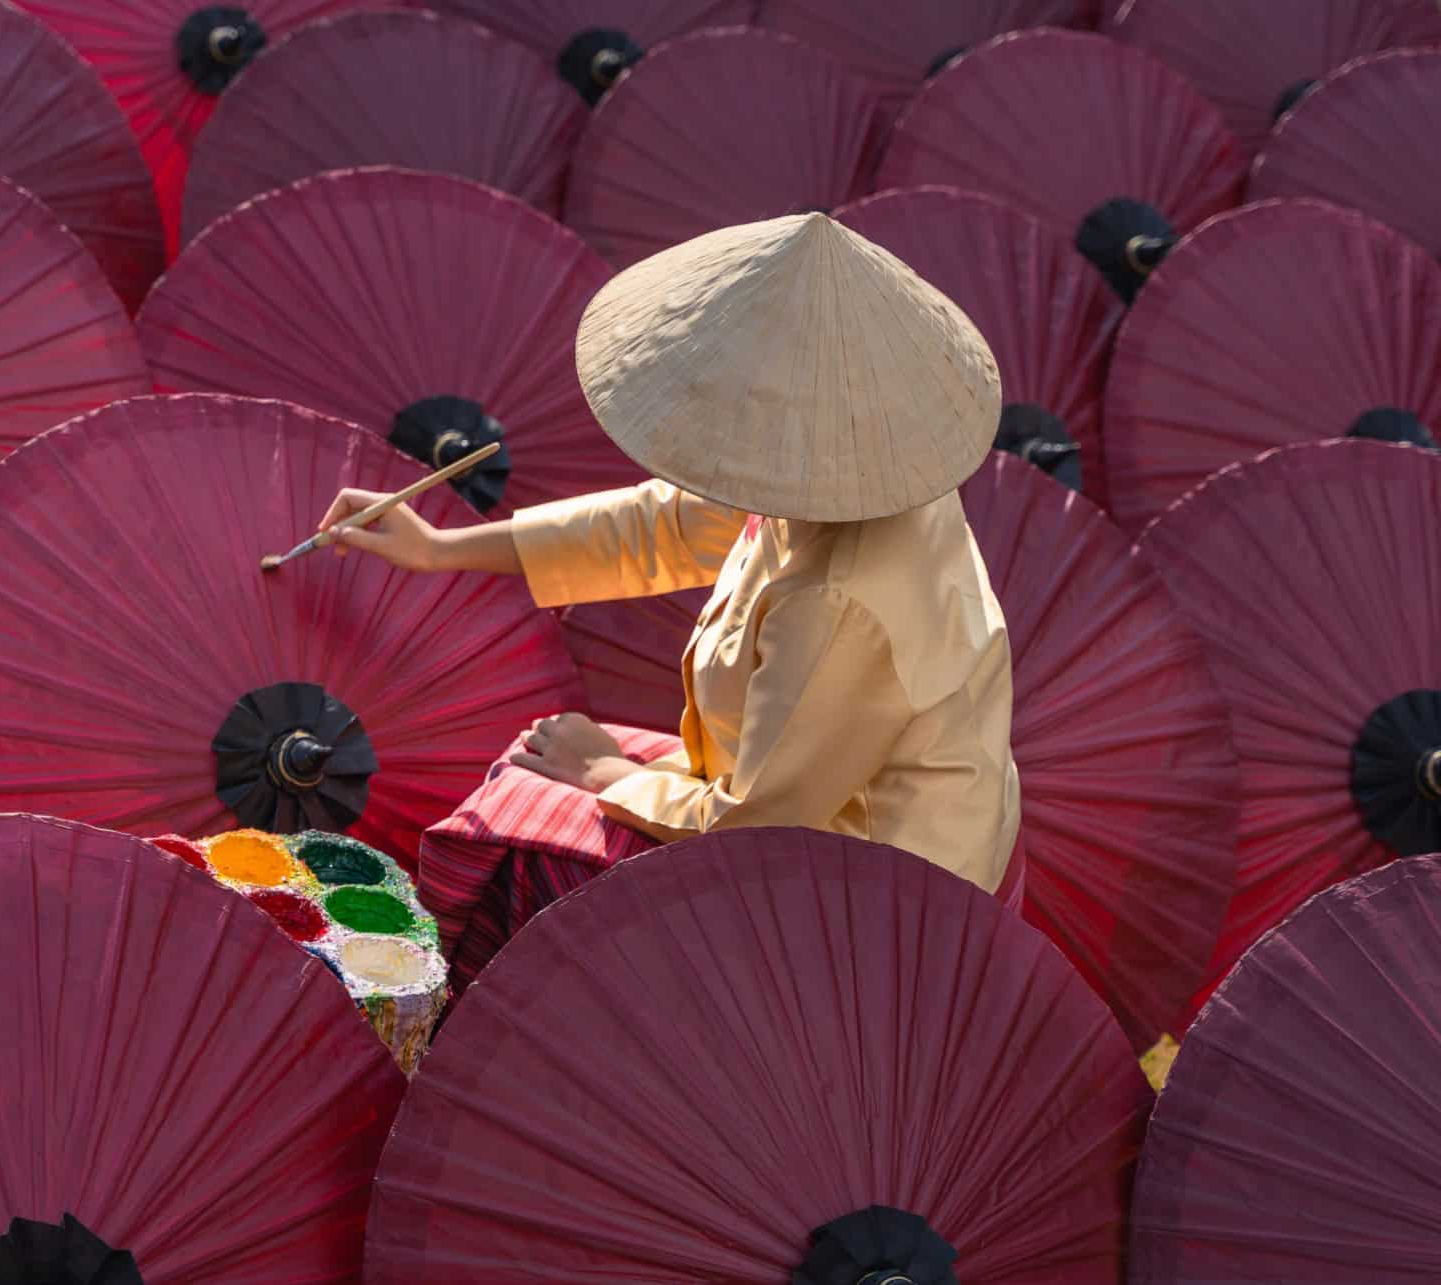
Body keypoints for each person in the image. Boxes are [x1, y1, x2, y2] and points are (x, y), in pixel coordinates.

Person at [320, 213, 1022, 984]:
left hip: (870, 900)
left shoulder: (838, 603)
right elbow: (664, 527)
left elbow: (761, 824)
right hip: (794, 789)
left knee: (517, 845)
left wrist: (609, 775)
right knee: (531, 770)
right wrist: (443, 547)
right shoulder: (856, 459)